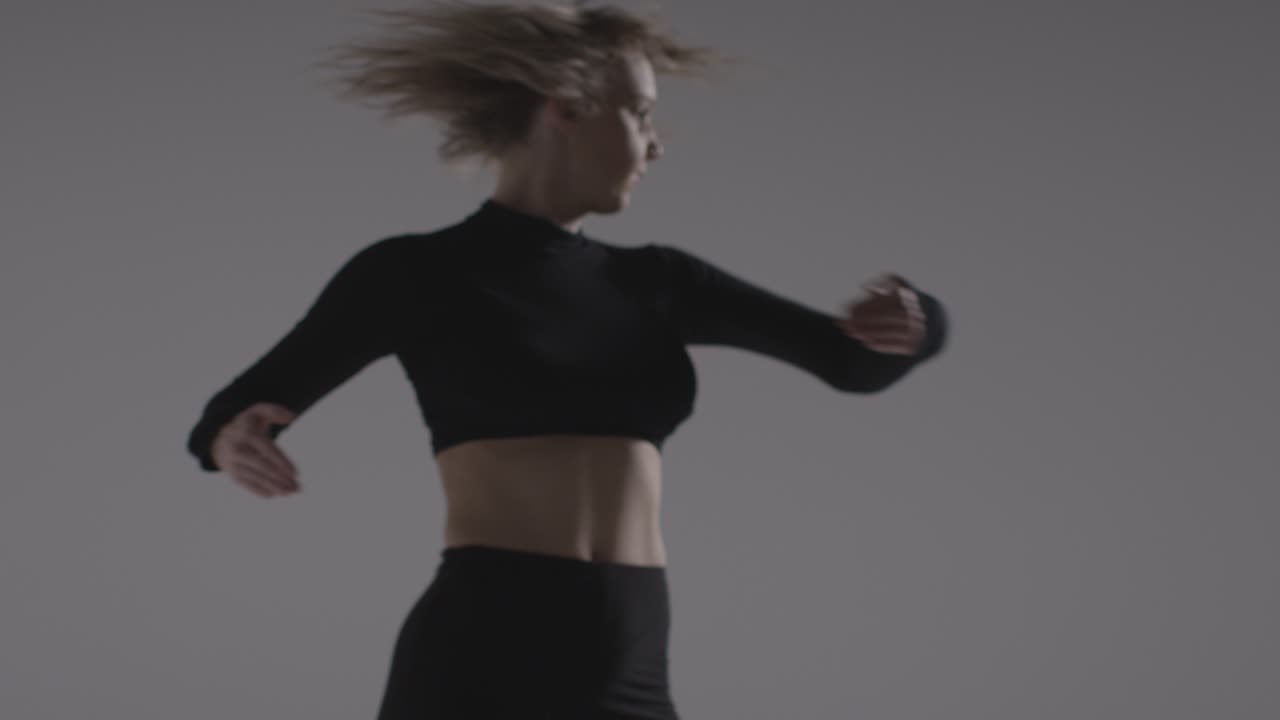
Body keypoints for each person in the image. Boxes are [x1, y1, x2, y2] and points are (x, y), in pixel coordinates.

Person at [184, 2, 950, 718]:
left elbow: (850, 364)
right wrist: (231, 439)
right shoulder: (414, 273)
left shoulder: (657, 282)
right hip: (483, 649)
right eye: (641, 114)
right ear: (567, 103)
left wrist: (918, 323)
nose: (656, 143)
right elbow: (245, 406)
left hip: (634, 656)